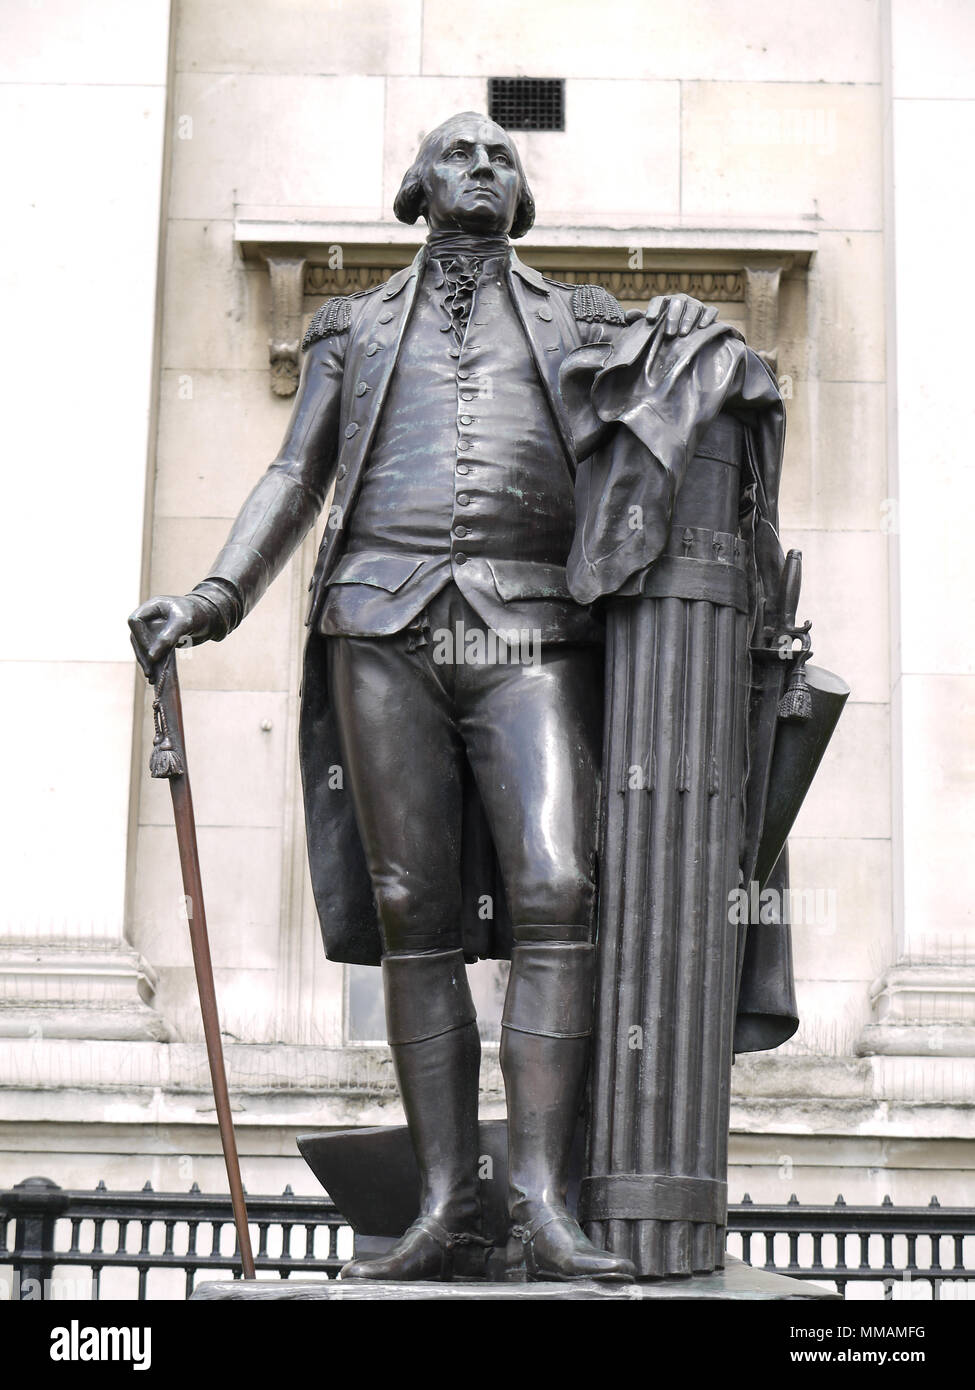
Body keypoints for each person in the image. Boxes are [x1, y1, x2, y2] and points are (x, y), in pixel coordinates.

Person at [130, 112, 716, 1283]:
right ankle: (450, 1198)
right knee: (415, 911)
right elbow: (298, 473)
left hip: (531, 625)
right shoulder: (352, 327)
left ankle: (543, 1199)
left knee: (559, 884)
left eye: (504, 157)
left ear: (523, 196)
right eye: (462, 153)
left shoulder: (582, 318)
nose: (485, 167)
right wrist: (212, 595)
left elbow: (692, 378)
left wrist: (701, 340)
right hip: (376, 621)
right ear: (415, 186)